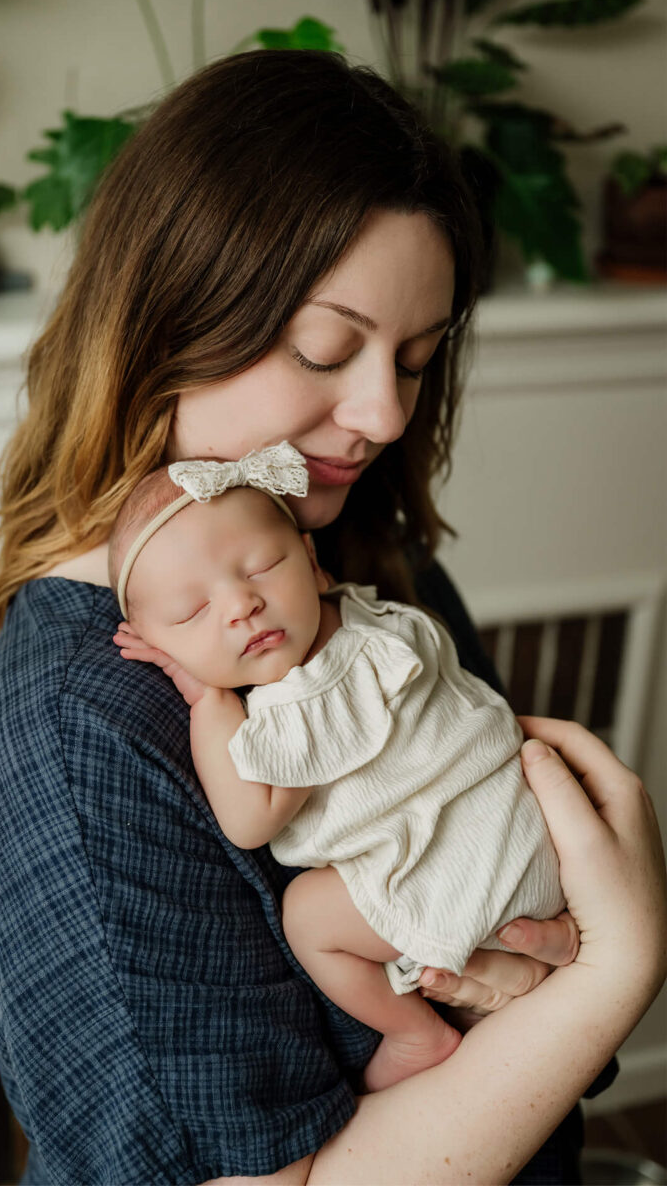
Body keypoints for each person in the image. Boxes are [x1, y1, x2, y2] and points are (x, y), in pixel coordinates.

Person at [0, 51, 667, 1184]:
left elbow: (512, 930)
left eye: (415, 362)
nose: (378, 413)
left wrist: (538, 979)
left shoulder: (372, 559)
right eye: (324, 350)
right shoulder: (74, 736)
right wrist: (612, 974)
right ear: (167, 317)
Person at [108, 448, 563, 1094]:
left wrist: (207, 698)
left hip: (474, 869)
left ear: (313, 562)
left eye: (263, 567)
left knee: (309, 916)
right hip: (532, 839)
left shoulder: (309, 700)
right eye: (192, 612)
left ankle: (415, 1031)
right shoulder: (377, 624)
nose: (241, 605)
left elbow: (247, 820)